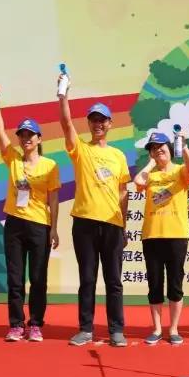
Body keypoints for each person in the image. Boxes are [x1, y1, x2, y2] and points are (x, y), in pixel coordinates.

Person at [58, 91, 131, 348]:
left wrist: (123, 225)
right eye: (94, 120)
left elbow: (123, 192)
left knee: (114, 281)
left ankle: (116, 330)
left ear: (110, 124)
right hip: (85, 222)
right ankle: (86, 329)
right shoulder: (81, 149)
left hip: (113, 225)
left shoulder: (118, 156)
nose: (98, 124)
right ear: (88, 123)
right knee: (87, 279)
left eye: (102, 120)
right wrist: (63, 97)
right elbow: (66, 124)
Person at [0, 102, 61, 342]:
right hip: (14, 224)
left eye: (31, 135)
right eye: (22, 135)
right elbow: (0, 133)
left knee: (38, 278)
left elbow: (54, 198)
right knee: (15, 278)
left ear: (39, 138)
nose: (26, 138)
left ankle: (36, 324)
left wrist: (53, 229)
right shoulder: (13, 160)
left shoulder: (50, 165)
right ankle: (16, 324)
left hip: (39, 225)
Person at [133, 131, 189, 345]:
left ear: (170, 149)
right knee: (155, 284)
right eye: (153, 148)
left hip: (176, 235)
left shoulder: (179, 171)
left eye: (161, 147)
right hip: (152, 236)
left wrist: (184, 146)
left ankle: (174, 328)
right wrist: (152, 162)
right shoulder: (150, 175)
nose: (158, 150)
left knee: (175, 284)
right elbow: (137, 181)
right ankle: (157, 328)